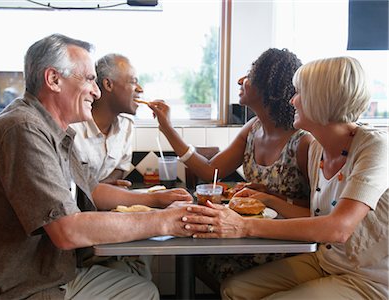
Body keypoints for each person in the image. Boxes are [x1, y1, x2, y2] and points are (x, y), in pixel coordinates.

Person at [0, 34, 199, 299]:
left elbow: (93, 189)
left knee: (135, 277)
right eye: (89, 79)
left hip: (39, 273)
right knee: (142, 292)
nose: (97, 91)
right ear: (53, 79)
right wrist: (164, 222)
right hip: (9, 288)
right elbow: (67, 231)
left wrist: (157, 200)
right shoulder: (23, 130)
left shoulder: (51, 129)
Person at [184, 56, 388, 299]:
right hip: (326, 261)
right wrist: (268, 199)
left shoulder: (375, 147)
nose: (292, 100)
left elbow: (338, 228)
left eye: (299, 92)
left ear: (320, 98)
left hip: (369, 278)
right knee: (234, 289)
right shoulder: (317, 149)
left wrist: (244, 226)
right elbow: (317, 217)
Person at [148, 48, 313, 289]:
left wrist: (270, 198)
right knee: (191, 256)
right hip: (249, 238)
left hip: (284, 245)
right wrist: (167, 129)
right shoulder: (253, 128)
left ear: (267, 86)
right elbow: (210, 171)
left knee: (198, 257)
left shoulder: (303, 142)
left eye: (249, 74)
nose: (240, 80)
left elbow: (315, 212)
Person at [71, 53, 142, 188]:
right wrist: (100, 190)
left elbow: (120, 168)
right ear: (108, 84)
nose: (140, 89)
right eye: (133, 82)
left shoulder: (126, 124)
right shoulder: (72, 128)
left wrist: (104, 187)